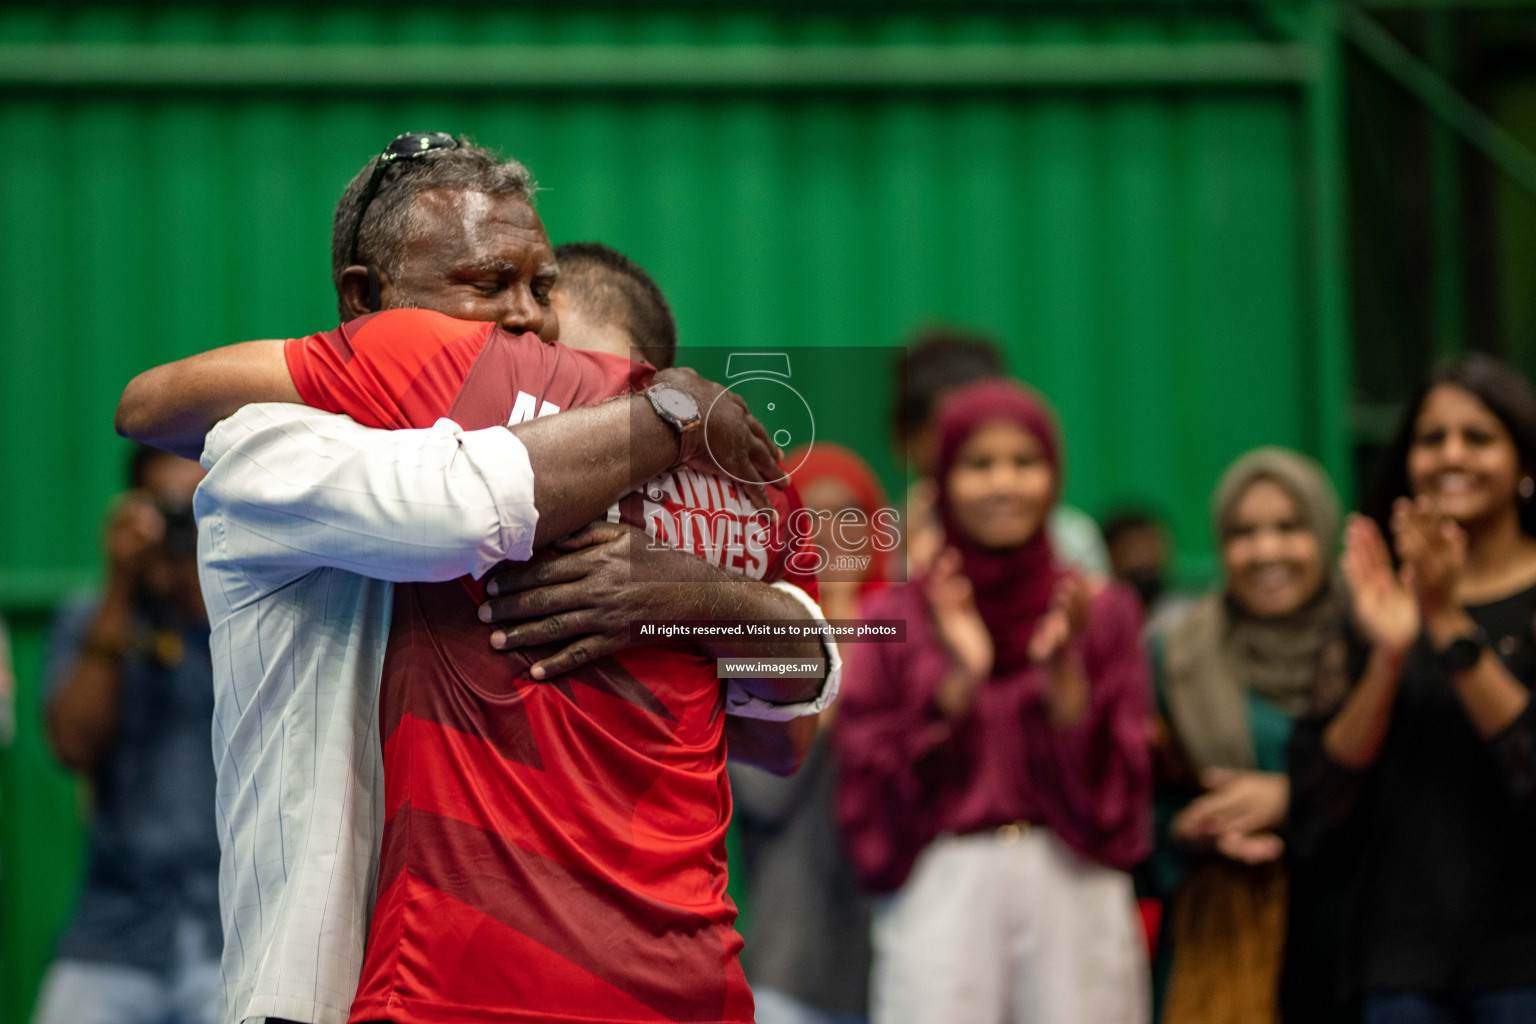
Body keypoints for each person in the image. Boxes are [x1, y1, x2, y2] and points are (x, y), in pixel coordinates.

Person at [116, 136, 837, 1024]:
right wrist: (671, 411)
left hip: (591, 980)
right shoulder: (272, 447)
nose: (529, 326)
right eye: (490, 287)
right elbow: (456, 505)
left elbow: (781, 724)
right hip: (322, 982)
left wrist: (685, 593)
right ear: (363, 300)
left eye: (543, 294)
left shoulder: (645, 501)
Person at [835, 379, 1152, 1024]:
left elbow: (1125, 790)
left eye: (1024, 462)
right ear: (942, 480)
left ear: (1055, 476)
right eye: (979, 465)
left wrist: (1064, 685)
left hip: (1076, 888)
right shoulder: (897, 617)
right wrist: (962, 677)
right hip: (943, 892)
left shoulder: (1099, 612)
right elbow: (865, 785)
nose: (1004, 484)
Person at [1289, 354, 1536, 1024]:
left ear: (1524, 462)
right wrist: (1391, 655)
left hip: (1522, 956)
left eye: (1478, 437)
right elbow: (1322, 795)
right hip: (1400, 960)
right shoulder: (1375, 600)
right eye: (1431, 438)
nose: (1451, 455)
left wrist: (1448, 622)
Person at [1144, 448, 1348, 1024]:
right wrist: (1189, 829)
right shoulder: (1177, 653)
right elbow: (1136, 815)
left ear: (1323, 529)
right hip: (1216, 947)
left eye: (1289, 527)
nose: (1266, 551)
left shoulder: (1370, 642)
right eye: (1243, 532)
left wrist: (1292, 799)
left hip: (1352, 947)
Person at [33, 447, 220, 1024]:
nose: (179, 530)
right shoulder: (94, 619)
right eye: (168, 512)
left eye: (197, 511)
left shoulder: (251, 620)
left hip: (232, 929)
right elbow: (72, 746)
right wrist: (121, 584)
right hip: (115, 928)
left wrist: (201, 586)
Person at [731, 443, 891, 1024]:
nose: (830, 536)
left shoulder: (916, 637)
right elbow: (765, 792)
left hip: (903, 952)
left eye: (849, 517)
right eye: (809, 518)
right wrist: (832, 653)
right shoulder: (757, 642)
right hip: (797, 961)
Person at [892, 329, 1109, 576]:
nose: (1001, 483)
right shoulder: (878, 544)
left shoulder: (1071, 542)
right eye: (953, 434)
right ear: (906, 439)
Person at [1103, 506, 1192, 637]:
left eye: (1151, 547)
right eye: (1132, 548)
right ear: (1110, 554)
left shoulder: (1184, 616)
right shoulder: (1099, 620)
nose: (1144, 557)